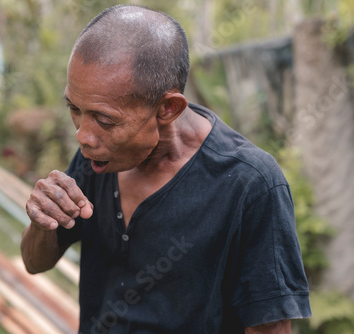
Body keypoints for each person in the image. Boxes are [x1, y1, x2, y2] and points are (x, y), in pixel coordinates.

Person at [21, 5, 311, 333]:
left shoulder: (250, 184)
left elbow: (270, 328)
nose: (83, 136)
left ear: (168, 108)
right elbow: (34, 263)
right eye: (75, 109)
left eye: (104, 119)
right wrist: (41, 224)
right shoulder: (96, 158)